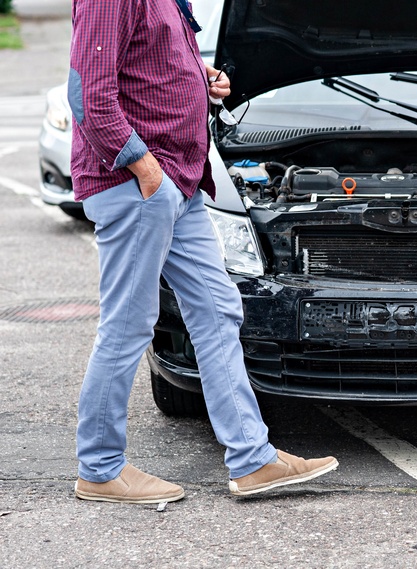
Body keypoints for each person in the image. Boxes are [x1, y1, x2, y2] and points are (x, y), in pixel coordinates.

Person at [68, 0, 338, 503]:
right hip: (139, 183)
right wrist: (146, 172)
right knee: (128, 324)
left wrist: (199, 75)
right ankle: (99, 468)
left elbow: (144, 63)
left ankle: (252, 459)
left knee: (218, 310)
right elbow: (88, 96)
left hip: (181, 181)